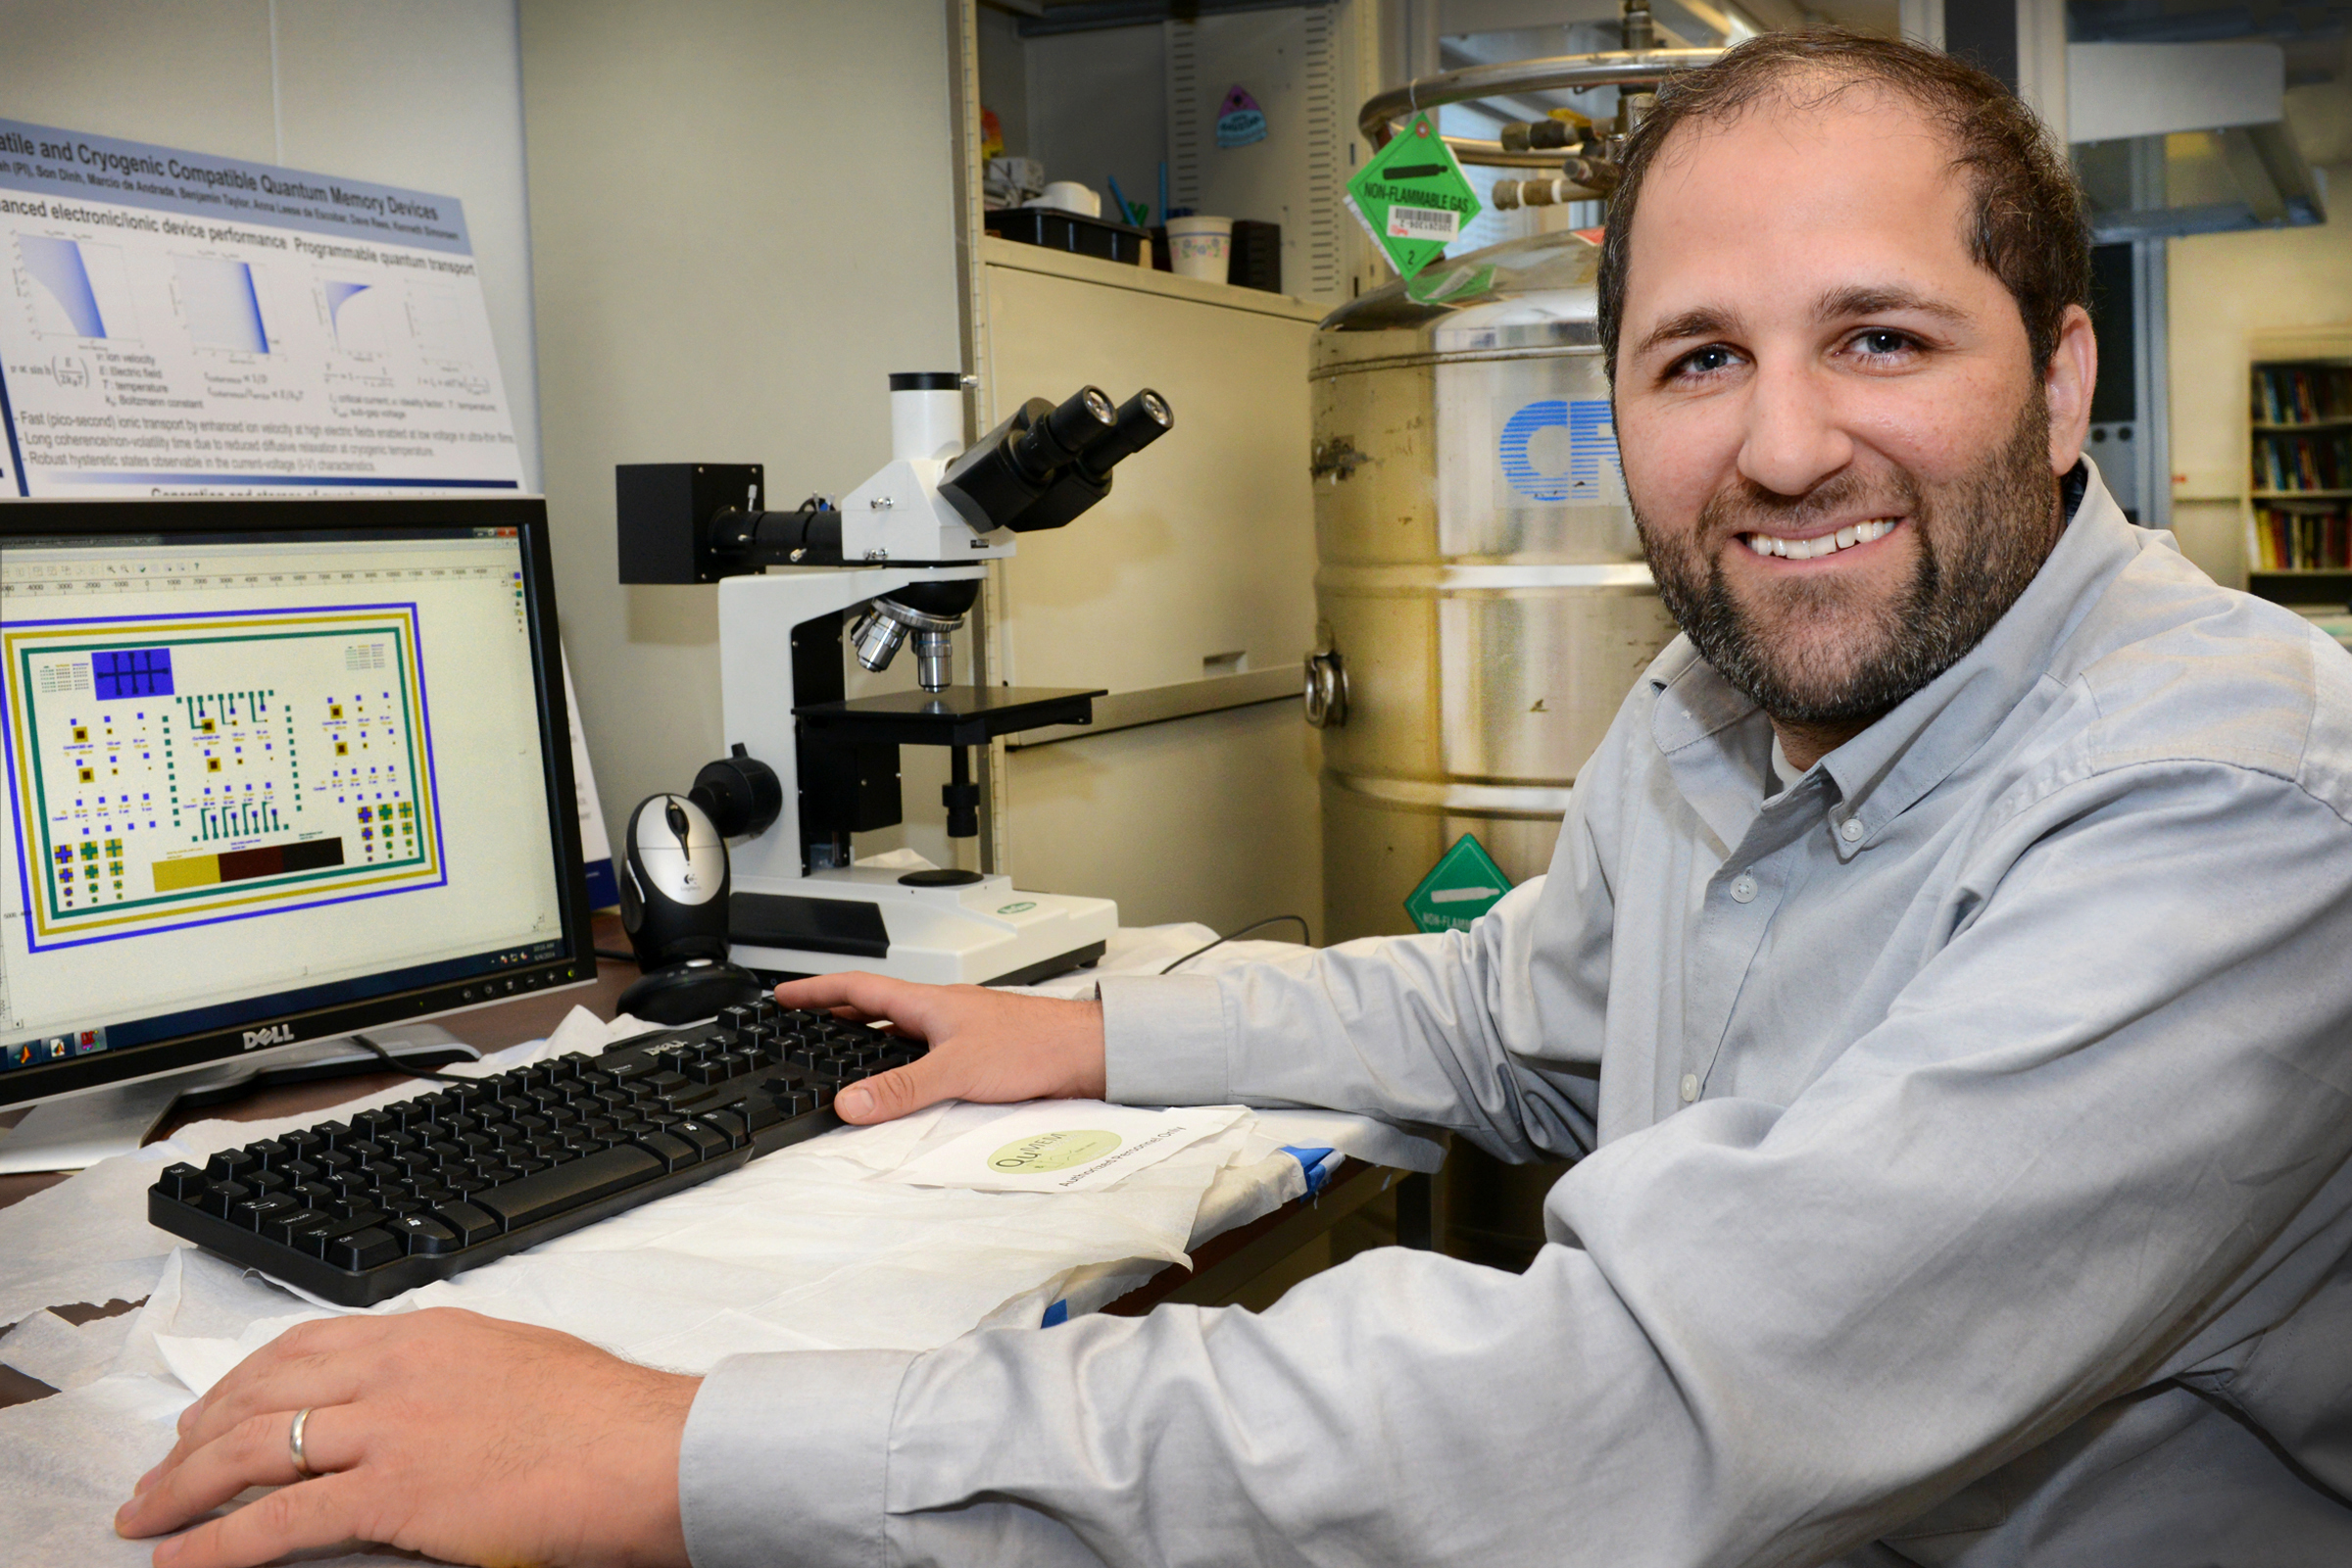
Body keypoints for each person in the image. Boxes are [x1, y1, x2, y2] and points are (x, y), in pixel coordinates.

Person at [116, 29, 2352, 1568]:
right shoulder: (1721, 704)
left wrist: (674, 1448)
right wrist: (1096, 1033)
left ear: (2062, 380)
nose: (1780, 446)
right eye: (1698, 357)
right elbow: (1506, 1021)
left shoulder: (2233, 805)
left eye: (1881, 336)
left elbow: (1622, 1405)